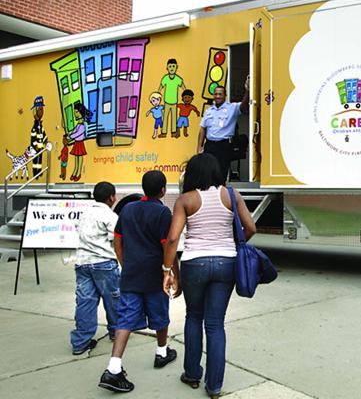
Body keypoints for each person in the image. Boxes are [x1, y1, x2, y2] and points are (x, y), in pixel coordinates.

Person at [163, 153, 256, 398]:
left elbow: (172, 238)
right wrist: (232, 247)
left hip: (195, 263)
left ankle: (192, 374)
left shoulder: (186, 200)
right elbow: (251, 227)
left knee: (194, 317)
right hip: (226, 263)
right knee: (215, 324)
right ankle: (214, 386)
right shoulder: (232, 195)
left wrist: (168, 271)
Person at [99, 171, 177, 393]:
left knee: (125, 319)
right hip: (154, 275)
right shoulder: (163, 212)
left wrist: (125, 263)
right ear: (163, 190)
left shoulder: (128, 209)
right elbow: (168, 245)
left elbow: (118, 240)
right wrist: (170, 272)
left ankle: (113, 367)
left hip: (131, 275)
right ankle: (162, 352)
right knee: (160, 315)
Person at [70, 181, 120, 355]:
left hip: (82, 263)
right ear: (111, 197)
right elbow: (116, 239)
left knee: (85, 301)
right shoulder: (110, 216)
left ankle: (80, 342)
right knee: (113, 299)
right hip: (104, 263)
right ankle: (116, 332)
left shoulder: (84, 214)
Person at [197, 79, 249, 183]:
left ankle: (220, 195)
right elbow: (202, 129)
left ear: (225, 95)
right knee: (208, 173)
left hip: (224, 146)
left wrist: (248, 91)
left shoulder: (232, 108)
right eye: (216, 94)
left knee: (221, 174)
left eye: (220, 94)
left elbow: (243, 106)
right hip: (210, 146)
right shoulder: (209, 111)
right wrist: (199, 147)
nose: (217, 96)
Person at [158, 58, 186, 137]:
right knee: (165, 117)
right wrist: (158, 95)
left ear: (177, 67)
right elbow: (161, 87)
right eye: (170, 66)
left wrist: (186, 94)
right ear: (167, 68)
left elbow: (183, 87)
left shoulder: (177, 79)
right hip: (166, 102)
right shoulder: (165, 78)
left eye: (173, 66)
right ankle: (164, 132)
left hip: (174, 102)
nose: (172, 68)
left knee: (174, 117)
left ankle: (173, 132)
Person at [68, 102, 91, 181]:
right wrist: (70, 133)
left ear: (81, 112)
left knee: (79, 158)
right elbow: (75, 131)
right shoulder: (78, 124)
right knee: (76, 158)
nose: (75, 114)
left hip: (80, 143)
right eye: (75, 112)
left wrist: (70, 136)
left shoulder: (82, 125)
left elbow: (77, 133)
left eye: (76, 112)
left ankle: (78, 172)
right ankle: (75, 171)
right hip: (77, 143)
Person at [29, 95, 47, 178]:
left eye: (42, 109)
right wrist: (35, 145)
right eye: (40, 109)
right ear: (35, 111)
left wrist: (46, 141)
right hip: (36, 147)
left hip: (41, 147)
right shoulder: (35, 126)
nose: (42, 112)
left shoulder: (40, 125)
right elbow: (33, 135)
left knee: (40, 160)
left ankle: (39, 171)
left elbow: (43, 134)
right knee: (35, 161)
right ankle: (35, 173)